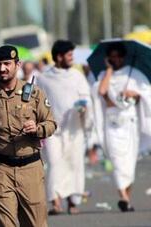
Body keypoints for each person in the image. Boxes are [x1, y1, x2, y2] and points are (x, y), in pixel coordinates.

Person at [0, 45, 57, 227]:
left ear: (17, 65)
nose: (2, 68)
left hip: (30, 168)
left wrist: (37, 128)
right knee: (4, 224)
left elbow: (51, 124)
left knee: (36, 223)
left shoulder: (35, 94)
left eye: (7, 63)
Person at [93, 42, 151, 212]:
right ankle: (123, 197)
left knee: (129, 162)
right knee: (118, 161)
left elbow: (145, 95)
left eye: (119, 56)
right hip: (112, 125)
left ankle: (127, 198)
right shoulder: (105, 74)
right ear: (108, 58)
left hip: (130, 125)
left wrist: (135, 94)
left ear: (124, 57)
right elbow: (102, 91)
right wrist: (109, 70)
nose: (116, 59)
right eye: (113, 56)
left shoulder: (134, 75)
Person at [37, 40, 93, 215]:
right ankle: (56, 202)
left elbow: (86, 97)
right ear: (59, 57)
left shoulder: (77, 76)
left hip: (74, 129)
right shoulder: (44, 78)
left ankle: (73, 202)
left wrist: (84, 107)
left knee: (74, 164)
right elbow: (37, 102)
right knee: (54, 164)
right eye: (69, 55)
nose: (72, 58)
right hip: (52, 130)